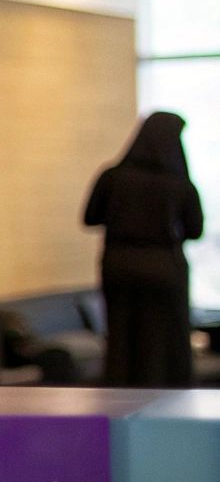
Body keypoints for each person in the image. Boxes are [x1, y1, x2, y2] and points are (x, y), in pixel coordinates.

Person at [84, 111, 205, 386]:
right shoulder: (179, 183)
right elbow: (195, 230)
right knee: (166, 340)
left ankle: (120, 404)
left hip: (119, 265)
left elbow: (90, 217)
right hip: (165, 267)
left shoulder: (112, 177)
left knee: (122, 338)